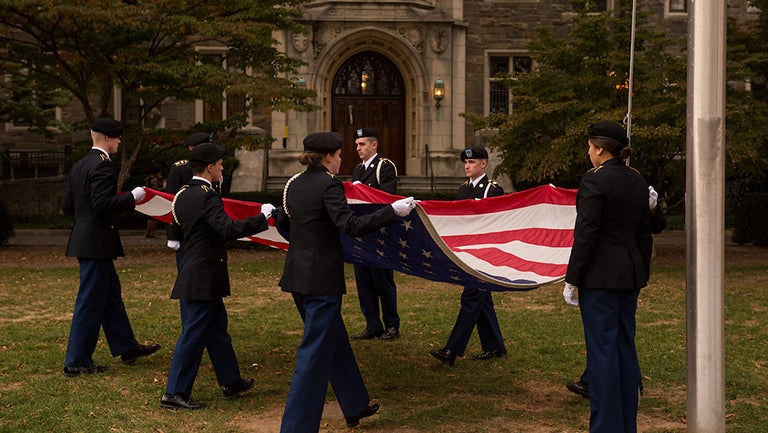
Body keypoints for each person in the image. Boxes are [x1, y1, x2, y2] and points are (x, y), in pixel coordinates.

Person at [276, 132, 415, 432]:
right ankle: (296, 427)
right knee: (313, 355)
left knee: (335, 341)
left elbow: (285, 223)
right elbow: (350, 226)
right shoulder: (329, 185)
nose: (342, 160)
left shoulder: (293, 184)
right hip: (321, 281)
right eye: (339, 155)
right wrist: (392, 211)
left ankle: (355, 404)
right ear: (327, 157)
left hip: (297, 276)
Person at [160, 143, 274, 410]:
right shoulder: (206, 195)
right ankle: (174, 392)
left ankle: (230, 380)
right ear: (210, 167)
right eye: (221, 164)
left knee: (216, 331)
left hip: (196, 269)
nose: (223, 168)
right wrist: (262, 217)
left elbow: (176, 227)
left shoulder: (183, 193)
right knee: (194, 333)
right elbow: (227, 228)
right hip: (204, 274)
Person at [562, 121, 653, 433]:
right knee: (624, 347)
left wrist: (572, 278)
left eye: (589, 146)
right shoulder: (637, 181)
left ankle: (605, 427)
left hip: (599, 277)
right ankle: (626, 424)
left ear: (600, 149)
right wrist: (641, 272)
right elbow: (644, 234)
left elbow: (586, 233)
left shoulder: (594, 181)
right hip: (629, 274)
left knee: (601, 353)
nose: (588, 152)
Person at [62, 118, 160, 377]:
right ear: (107, 138)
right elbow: (102, 204)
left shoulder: (80, 165)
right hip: (97, 242)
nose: (118, 142)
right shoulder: (104, 166)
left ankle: (126, 346)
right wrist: (132, 198)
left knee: (110, 296)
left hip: (86, 240)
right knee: (91, 301)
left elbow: (68, 207)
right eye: (117, 138)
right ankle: (77, 360)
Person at [566, 185, 666, 399]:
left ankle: (614, 388)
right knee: (615, 334)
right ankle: (610, 382)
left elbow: (653, 228)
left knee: (609, 335)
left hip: (612, 272)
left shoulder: (605, 182)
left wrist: (653, 209)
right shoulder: (610, 180)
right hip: (624, 270)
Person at [429, 145, 507, 366]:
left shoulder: (492, 190)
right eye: (465, 162)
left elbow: (495, 223)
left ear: (483, 164)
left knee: (471, 298)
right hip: (467, 252)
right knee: (482, 299)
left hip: (486, 253)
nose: (467, 166)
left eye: (472, 162)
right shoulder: (463, 189)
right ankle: (494, 346)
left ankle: (451, 350)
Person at [350, 127, 401, 341]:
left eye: (362, 144)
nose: (358, 149)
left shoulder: (384, 167)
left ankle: (391, 325)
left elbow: (386, 198)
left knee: (383, 281)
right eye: (357, 145)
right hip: (362, 233)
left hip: (380, 232)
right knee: (363, 280)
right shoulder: (357, 171)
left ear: (374, 144)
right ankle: (372, 325)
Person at [165, 132, 216, 269]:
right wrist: (172, 234)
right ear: (191, 149)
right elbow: (171, 201)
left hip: (210, 230)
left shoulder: (216, 168)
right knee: (187, 273)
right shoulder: (180, 169)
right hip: (187, 231)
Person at [144, 167, 164, 238]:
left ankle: (148, 232)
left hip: (149, 199)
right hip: (154, 199)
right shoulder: (154, 180)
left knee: (150, 217)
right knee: (154, 218)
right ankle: (152, 233)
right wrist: (164, 187)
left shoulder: (148, 179)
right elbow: (156, 189)